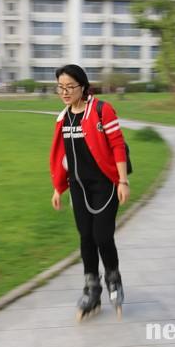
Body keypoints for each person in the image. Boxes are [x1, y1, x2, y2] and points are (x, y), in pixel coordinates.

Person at [49, 64, 130, 320]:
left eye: (69, 87)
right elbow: (63, 156)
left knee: (102, 236)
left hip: (105, 184)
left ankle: (113, 279)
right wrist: (58, 188)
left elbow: (117, 145)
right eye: (60, 87)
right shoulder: (63, 118)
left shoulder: (101, 110)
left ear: (82, 86)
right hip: (79, 187)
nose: (64, 92)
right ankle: (92, 287)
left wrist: (123, 181)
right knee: (85, 237)